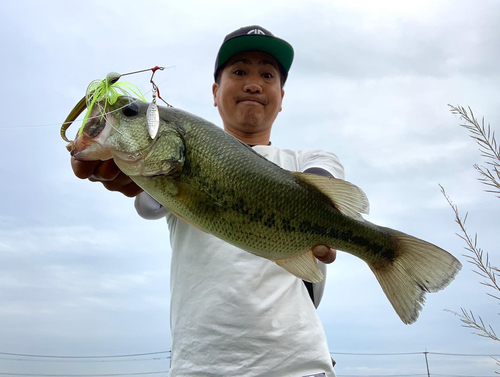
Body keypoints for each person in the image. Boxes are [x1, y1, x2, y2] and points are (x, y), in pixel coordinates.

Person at [70, 25, 343, 377]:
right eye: (239, 71)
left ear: (281, 96)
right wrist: (117, 167)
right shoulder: (173, 165)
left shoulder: (309, 160)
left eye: (267, 74)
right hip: (199, 368)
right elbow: (147, 195)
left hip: (299, 366)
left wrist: (326, 220)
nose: (253, 83)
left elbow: (326, 191)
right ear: (215, 92)